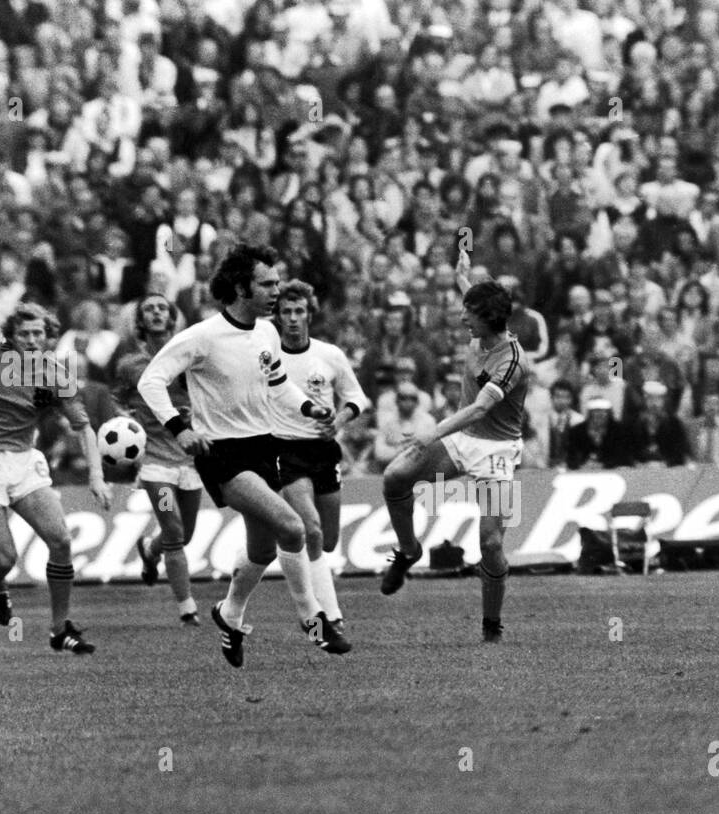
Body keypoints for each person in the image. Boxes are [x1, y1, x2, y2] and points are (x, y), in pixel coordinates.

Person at [136, 244, 340, 668]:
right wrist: (181, 429)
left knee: (263, 551)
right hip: (222, 452)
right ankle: (314, 621)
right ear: (240, 287)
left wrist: (310, 407)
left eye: (278, 283)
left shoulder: (266, 333)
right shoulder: (202, 337)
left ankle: (229, 615)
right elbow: (150, 381)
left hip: (264, 446)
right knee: (292, 526)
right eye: (267, 284)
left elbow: (279, 385)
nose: (276, 292)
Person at [0, 301, 111, 652]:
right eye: (24, 334)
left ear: (48, 337)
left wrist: (96, 475)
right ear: (11, 337)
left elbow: (84, 428)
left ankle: (60, 629)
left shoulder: (55, 374)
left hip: (24, 462)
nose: (32, 340)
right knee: (3, 559)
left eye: (38, 334)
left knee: (60, 540)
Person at [381, 250, 529, 643]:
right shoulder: (483, 328)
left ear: (488, 320)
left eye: (469, 314)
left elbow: (480, 408)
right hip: (462, 439)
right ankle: (409, 551)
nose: (462, 318)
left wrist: (432, 432)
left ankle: (491, 625)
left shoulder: (512, 361)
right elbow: (472, 296)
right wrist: (464, 276)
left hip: (496, 452)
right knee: (395, 478)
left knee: (491, 541)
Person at [271, 279, 369, 651]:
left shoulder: (329, 355)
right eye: (286, 312)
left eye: (299, 311)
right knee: (309, 530)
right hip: (284, 451)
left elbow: (357, 396)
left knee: (327, 539)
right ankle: (326, 619)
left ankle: (251, 554)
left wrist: (340, 420)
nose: (293, 319)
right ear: (278, 317)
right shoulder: (268, 358)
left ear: (310, 314)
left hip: (323, 452)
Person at [114, 293, 202, 626]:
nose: (155, 313)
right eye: (148, 308)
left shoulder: (189, 356)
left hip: (190, 459)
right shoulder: (129, 364)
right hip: (155, 464)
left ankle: (151, 552)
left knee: (186, 533)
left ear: (171, 316)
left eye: (161, 308)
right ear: (141, 320)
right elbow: (116, 400)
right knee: (174, 529)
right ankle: (187, 608)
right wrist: (125, 422)